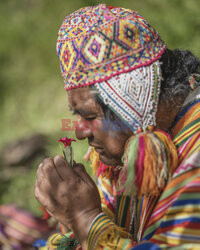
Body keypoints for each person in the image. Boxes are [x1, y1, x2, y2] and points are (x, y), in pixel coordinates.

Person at [34, 4, 200, 249]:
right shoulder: (127, 151)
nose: (80, 132)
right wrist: (75, 219)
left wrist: (85, 220)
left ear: (133, 101)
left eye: (89, 116)